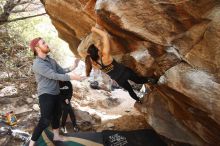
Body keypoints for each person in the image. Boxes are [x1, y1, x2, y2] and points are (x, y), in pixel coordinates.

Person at [29, 37, 85, 146]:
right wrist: (72, 77)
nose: (46, 44)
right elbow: (54, 76)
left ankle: (56, 135)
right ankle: (31, 144)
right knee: (45, 120)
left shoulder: (51, 60)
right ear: (37, 48)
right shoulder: (37, 64)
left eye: (45, 42)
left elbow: (62, 71)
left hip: (56, 93)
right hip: (46, 94)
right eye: (43, 43)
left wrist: (75, 65)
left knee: (57, 115)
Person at [85, 27, 158, 103]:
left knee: (130, 90)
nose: (99, 47)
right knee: (138, 80)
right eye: (98, 47)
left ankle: (138, 100)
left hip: (119, 80)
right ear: (97, 51)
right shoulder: (105, 56)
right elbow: (105, 36)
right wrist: (94, 29)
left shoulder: (96, 65)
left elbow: (89, 59)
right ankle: (150, 80)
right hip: (125, 72)